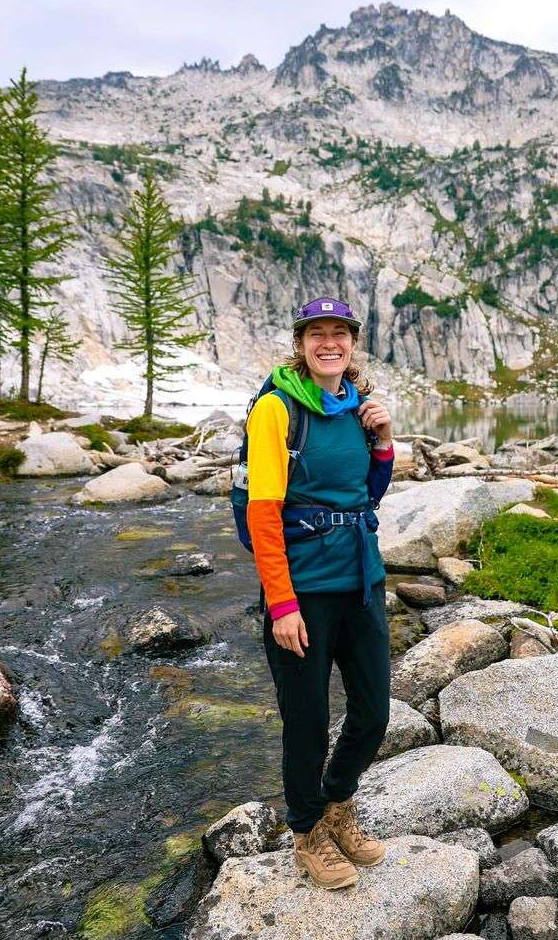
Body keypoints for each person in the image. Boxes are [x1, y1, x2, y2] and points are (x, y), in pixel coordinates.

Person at [246, 296, 395, 890]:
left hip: (362, 578)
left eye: (340, 333)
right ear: (301, 342)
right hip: (303, 588)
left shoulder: (357, 403)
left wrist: (383, 442)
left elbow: (369, 492)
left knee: (374, 711)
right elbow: (263, 515)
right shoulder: (276, 410)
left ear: (352, 342)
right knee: (306, 722)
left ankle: (337, 802)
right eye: (317, 333)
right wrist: (280, 604)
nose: (329, 342)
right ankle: (307, 830)